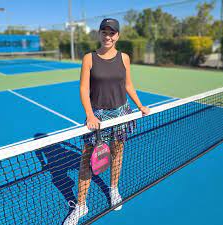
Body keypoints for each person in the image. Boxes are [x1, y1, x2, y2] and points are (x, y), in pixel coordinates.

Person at [63, 18, 149, 225]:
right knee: (86, 160)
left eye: (112, 33)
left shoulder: (125, 58)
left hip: (121, 114)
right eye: (104, 32)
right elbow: (84, 89)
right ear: (99, 34)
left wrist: (139, 105)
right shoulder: (89, 58)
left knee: (117, 153)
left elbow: (128, 85)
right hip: (98, 117)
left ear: (117, 36)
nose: (108, 36)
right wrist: (90, 115)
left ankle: (114, 189)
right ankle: (82, 205)